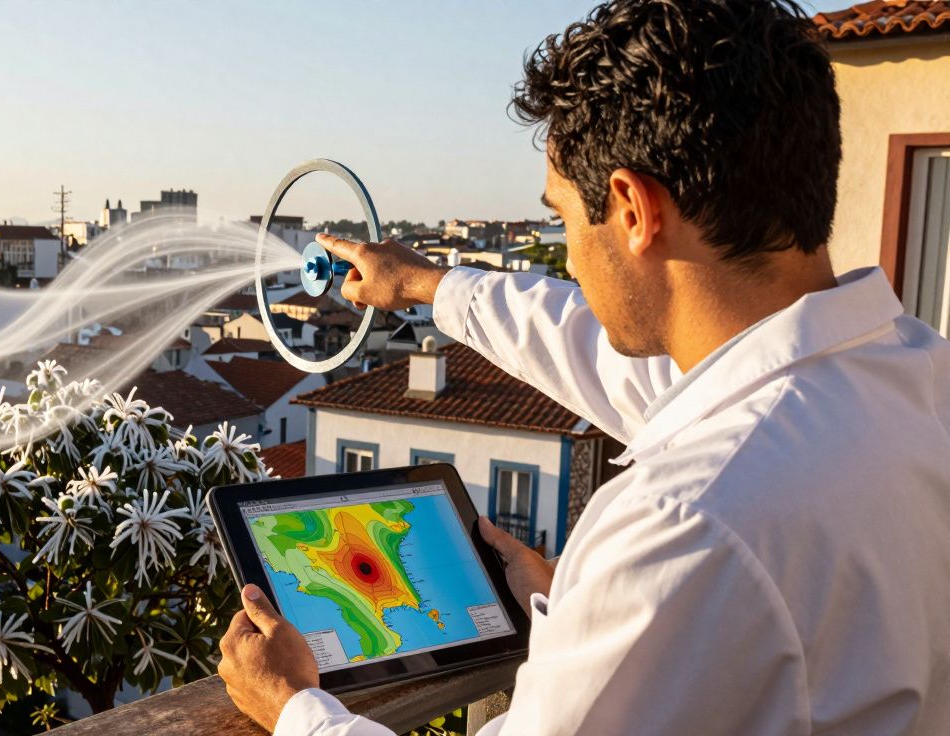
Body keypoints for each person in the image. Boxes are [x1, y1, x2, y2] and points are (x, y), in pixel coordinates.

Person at [216, 0, 950, 733]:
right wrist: (425, 285)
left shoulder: (685, 523)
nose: (566, 257)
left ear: (632, 207)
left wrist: (296, 708)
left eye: (563, 218)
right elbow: (596, 353)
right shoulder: (918, 380)